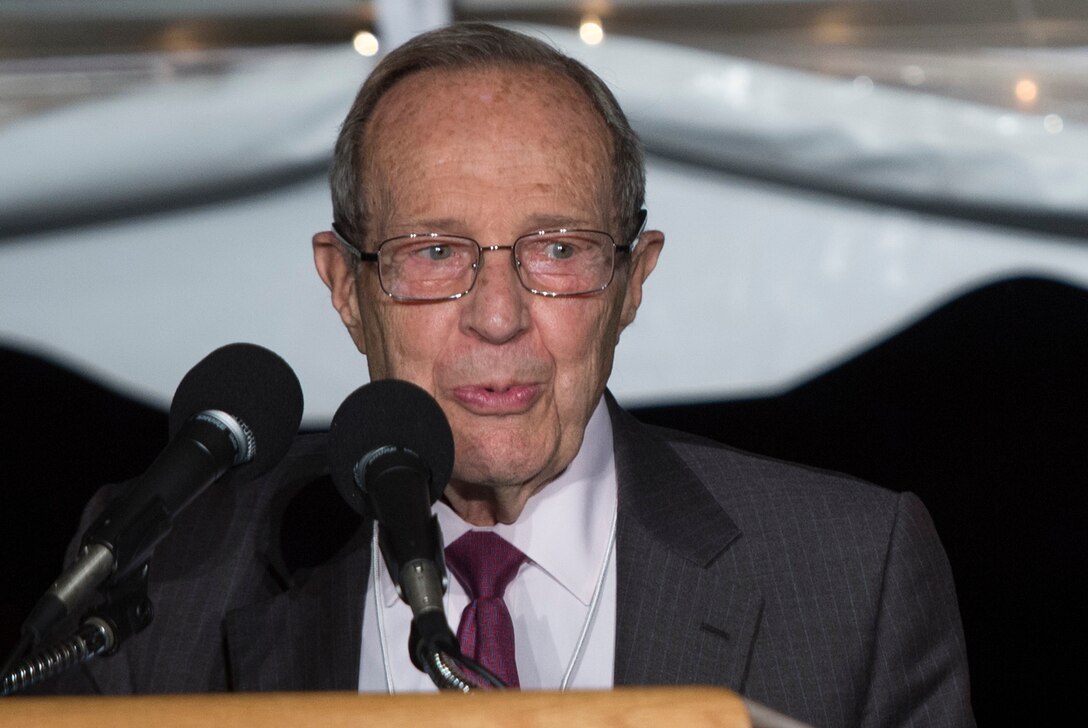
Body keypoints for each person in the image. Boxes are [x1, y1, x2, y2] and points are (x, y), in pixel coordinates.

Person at [45, 22, 974, 727]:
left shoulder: (852, 574)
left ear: (631, 279)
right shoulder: (165, 577)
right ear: (344, 285)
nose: (497, 316)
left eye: (558, 248)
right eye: (436, 251)